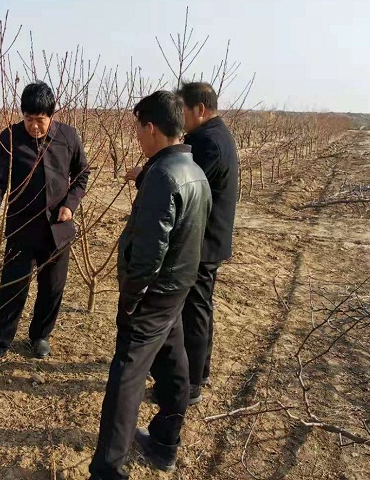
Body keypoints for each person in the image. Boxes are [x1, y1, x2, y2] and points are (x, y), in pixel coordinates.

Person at [89, 91, 211, 479]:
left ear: (152, 128)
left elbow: (149, 251)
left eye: (139, 129)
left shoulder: (162, 176)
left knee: (126, 377)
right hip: (177, 289)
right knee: (174, 365)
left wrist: (132, 297)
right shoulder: (194, 171)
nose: (138, 137)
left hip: (153, 294)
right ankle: (164, 442)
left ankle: (107, 470)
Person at [0, 81, 90, 365]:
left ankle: (40, 335)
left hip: (57, 228)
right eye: (29, 119)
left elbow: (82, 174)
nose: (34, 126)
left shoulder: (68, 136)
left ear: (51, 115)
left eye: (40, 120)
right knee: (12, 287)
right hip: (22, 227)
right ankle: (0, 341)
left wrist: (70, 205)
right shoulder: (10, 138)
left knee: (53, 287)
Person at [177, 82, 239, 403]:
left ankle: (189, 384)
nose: (180, 118)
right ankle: (200, 372)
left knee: (194, 311)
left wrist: (146, 176)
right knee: (201, 308)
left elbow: (185, 186)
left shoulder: (207, 142)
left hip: (202, 242)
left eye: (182, 111)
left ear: (199, 109)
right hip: (209, 239)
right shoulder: (215, 134)